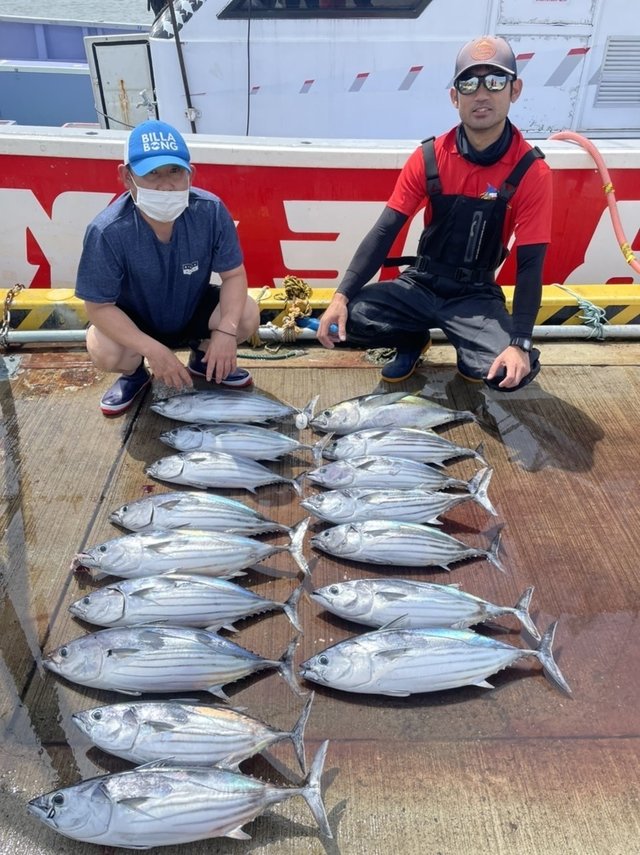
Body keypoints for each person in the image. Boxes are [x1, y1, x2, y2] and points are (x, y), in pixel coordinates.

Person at [317, 35, 553, 391]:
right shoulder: (429, 157)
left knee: (507, 373)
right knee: (349, 320)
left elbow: (531, 265)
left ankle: (470, 351)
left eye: (495, 81)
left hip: (475, 293)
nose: (482, 94)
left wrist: (520, 342)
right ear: (454, 96)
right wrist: (341, 295)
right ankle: (412, 340)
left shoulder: (531, 171)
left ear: (514, 90)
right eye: (469, 83)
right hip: (422, 283)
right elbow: (384, 231)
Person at [75, 119, 260, 415]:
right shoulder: (107, 231)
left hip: (191, 308)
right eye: (151, 173)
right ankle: (135, 375)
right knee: (104, 350)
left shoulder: (210, 211)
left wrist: (226, 332)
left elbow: (234, 275)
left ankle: (203, 361)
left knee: (247, 314)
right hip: (137, 320)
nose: (165, 184)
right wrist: (152, 350)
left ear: (191, 174)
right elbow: (98, 307)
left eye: (175, 171)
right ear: (126, 176)